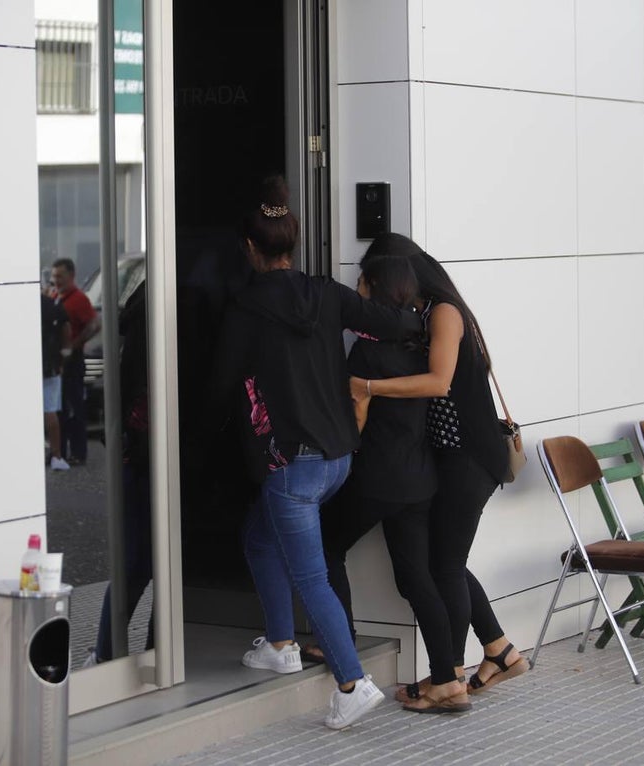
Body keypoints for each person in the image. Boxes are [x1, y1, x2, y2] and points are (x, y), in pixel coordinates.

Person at [209, 176, 421, 730]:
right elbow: (391, 322)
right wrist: (425, 314)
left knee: (311, 576)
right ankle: (280, 645)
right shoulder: (327, 294)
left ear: (251, 248)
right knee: (259, 536)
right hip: (336, 459)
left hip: (291, 465)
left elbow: (220, 384)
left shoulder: (244, 308)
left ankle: (352, 683)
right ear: (292, 243)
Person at [350, 232, 530, 698]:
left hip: (470, 457)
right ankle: (500, 652)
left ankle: (447, 676)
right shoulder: (428, 313)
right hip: (454, 457)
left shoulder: (446, 313)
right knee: (444, 562)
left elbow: (438, 382)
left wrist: (368, 386)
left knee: (444, 566)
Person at [319, 255, 471, 713]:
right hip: (419, 479)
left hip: (377, 478)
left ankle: (339, 646)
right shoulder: (419, 344)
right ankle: (447, 679)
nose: (355, 286)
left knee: (326, 547)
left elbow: (357, 417)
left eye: (360, 281)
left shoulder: (366, 351)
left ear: (373, 289)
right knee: (416, 577)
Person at [89, 280, 155, 665]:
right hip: (144, 458)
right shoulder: (151, 340)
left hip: (134, 457)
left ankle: (109, 653)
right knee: (144, 565)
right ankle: (125, 654)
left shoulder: (132, 335)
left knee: (136, 567)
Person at [50, 257, 100, 465]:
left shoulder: (78, 299)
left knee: (74, 407)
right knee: (58, 408)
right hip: (57, 361)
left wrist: (74, 344)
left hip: (72, 359)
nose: (56, 281)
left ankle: (78, 453)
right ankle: (58, 452)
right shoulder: (54, 296)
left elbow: (94, 324)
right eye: (54, 277)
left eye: (60, 276)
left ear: (71, 276)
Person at [41, 293, 71, 472]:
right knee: (50, 410)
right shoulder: (52, 304)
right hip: (51, 365)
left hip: (28, 364)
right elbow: (66, 326)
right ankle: (57, 456)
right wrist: (64, 354)